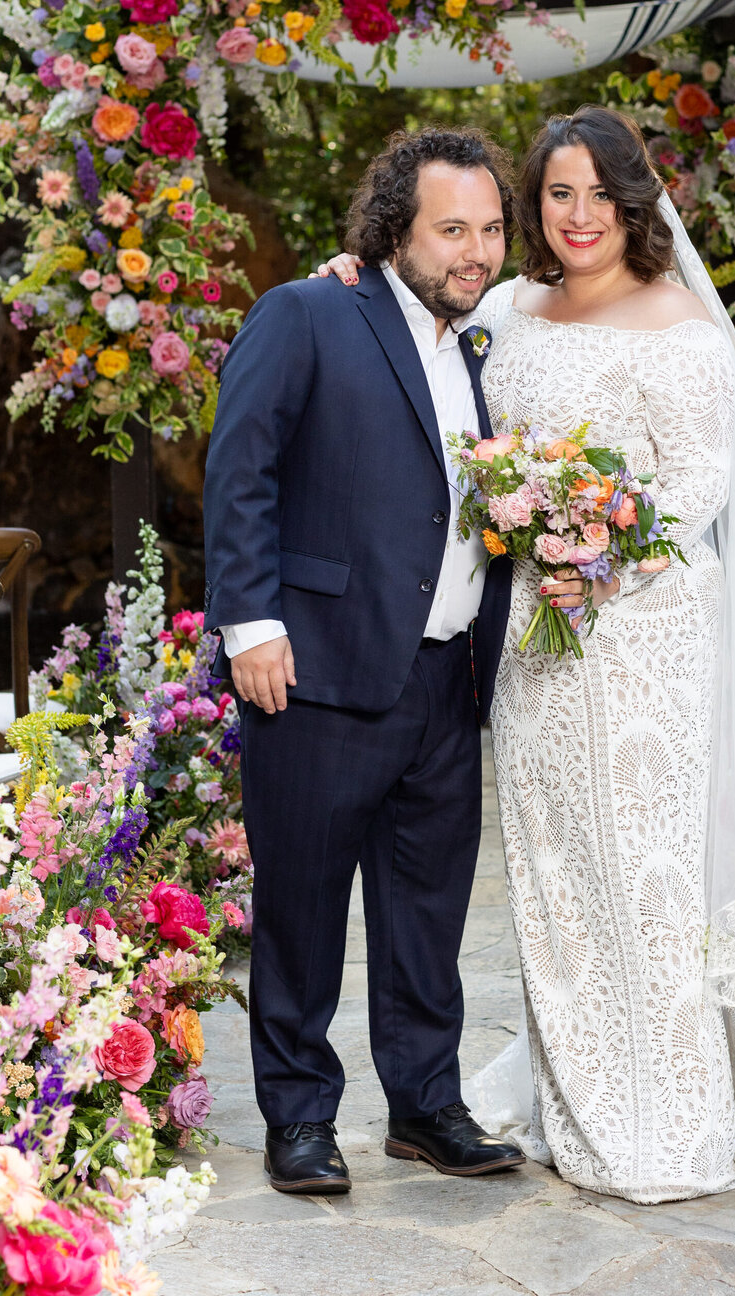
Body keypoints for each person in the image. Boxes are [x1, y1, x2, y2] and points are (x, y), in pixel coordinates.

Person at [319, 106, 735, 1204]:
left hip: (646, 637)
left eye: (598, 195)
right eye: (557, 195)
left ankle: (667, 1126)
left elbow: (699, 486)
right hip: (533, 645)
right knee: (556, 878)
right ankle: (581, 1109)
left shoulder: (684, 329)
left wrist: (603, 552)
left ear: (634, 201)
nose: (578, 217)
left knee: (646, 876)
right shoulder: (510, 311)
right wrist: (358, 267)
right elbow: (429, 356)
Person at [203, 127, 522, 1197]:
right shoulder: (307, 312)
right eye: (451, 231)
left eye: (488, 230)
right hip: (318, 668)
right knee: (301, 907)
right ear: (396, 228)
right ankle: (298, 1118)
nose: (474, 252)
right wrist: (251, 624)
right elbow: (240, 461)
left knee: (428, 910)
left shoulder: (487, 346)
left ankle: (427, 1106)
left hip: (447, 676)